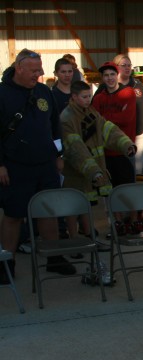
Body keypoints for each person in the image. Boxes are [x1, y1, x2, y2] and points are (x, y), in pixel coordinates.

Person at [0, 48, 76, 282]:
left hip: (45, 164)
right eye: (34, 71)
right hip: (14, 166)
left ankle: (53, 257)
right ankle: (6, 262)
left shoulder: (44, 92)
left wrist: (58, 154)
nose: (39, 74)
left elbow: (55, 126)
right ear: (19, 68)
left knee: (48, 211)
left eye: (40, 70)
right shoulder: (2, 94)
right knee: (13, 215)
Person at [60, 80, 136, 243]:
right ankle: (73, 239)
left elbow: (108, 130)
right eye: (85, 97)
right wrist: (93, 170)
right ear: (74, 97)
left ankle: (89, 235)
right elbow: (76, 149)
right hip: (76, 171)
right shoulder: (67, 118)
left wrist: (126, 144)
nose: (88, 100)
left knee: (89, 202)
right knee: (74, 205)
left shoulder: (90, 112)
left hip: (93, 169)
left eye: (89, 96)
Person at [91, 61, 140, 235]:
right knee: (110, 189)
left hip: (124, 150)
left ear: (117, 75)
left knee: (128, 188)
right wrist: (108, 120)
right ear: (102, 78)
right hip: (106, 151)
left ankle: (134, 221)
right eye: (106, 75)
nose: (109, 78)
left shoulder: (128, 93)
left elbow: (126, 119)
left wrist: (105, 120)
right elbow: (95, 120)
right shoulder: (98, 98)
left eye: (112, 74)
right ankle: (118, 221)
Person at [113, 54, 143, 175]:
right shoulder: (111, 86)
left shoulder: (137, 85)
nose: (127, 68)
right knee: (121, 170)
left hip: (138, 133)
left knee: (137, 171)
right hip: (119, 136)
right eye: (123, 65)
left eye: (129, 65)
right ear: (116, 67)